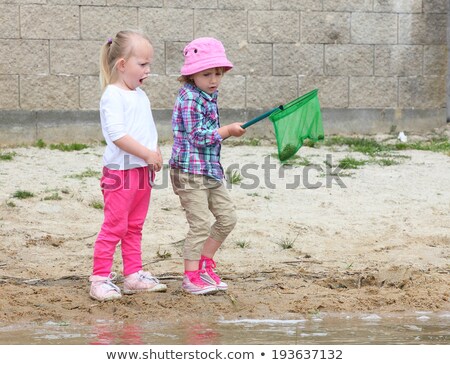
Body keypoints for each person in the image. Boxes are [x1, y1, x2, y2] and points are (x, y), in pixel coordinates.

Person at [89, 30, 167, 301]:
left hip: (141, 173)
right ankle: (99, 278)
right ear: (123, 64)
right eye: (142, 64)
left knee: (134, 225)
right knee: (115, 225)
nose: (148, 70)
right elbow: (118, 135)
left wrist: (154, 151)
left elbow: (147, 129)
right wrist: (146, 153)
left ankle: (133, 275)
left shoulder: (140, 96)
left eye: (149, 64)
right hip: (119, 174)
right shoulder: (113, 95)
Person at [169, 37, 246, 295]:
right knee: (200, 224)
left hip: (210, 169)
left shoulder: (209, 94)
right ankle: (190, 277)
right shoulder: (190, 99)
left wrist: (225, 132)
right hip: (189, 172)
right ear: (192, 74)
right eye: (207, 74)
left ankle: (205, 263)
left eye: (218, 73)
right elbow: (198, 136)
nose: (214, 80)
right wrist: (227, 131)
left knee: (227, 218)